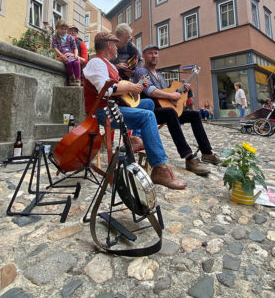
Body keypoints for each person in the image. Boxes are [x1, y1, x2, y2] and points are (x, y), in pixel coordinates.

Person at [83, 32, 186, 190]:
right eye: (115, 44)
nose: (118, 48)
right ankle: (159, 169)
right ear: (109, 45)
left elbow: (119, 93)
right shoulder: (96, 63)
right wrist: (132, 86)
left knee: (147, 104)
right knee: (147, 116)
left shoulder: (107, 64)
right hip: (102, 112)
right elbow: (107, 89)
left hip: (113, 107)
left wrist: (136, 89)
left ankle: (136, 138)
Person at [133, 45, 222, 176]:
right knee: (170, 112)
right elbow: (150, 91)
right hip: (150, 111)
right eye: (150, 53)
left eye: (156, 53)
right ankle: (188, 158)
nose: (154, 55)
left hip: (166, 109)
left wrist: (181, 90)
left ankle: (207, 152)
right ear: (144, 56)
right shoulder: (141, 71)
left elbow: (168, 93)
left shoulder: (160, 75)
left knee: (194, 115)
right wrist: (171, 95)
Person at [52, 19, 82, 86]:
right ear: (57, 28)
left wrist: (76, 55)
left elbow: (75, 48)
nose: (64, 31)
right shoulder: (55, 37)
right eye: (62, 29)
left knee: (77, 62)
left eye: (65, 29)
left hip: (70, 55)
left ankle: (78, 79)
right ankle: (71, 77)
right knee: (69, 63)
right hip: (63, 55)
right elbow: (55, 47)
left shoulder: (70, 37)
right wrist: (61, 55)